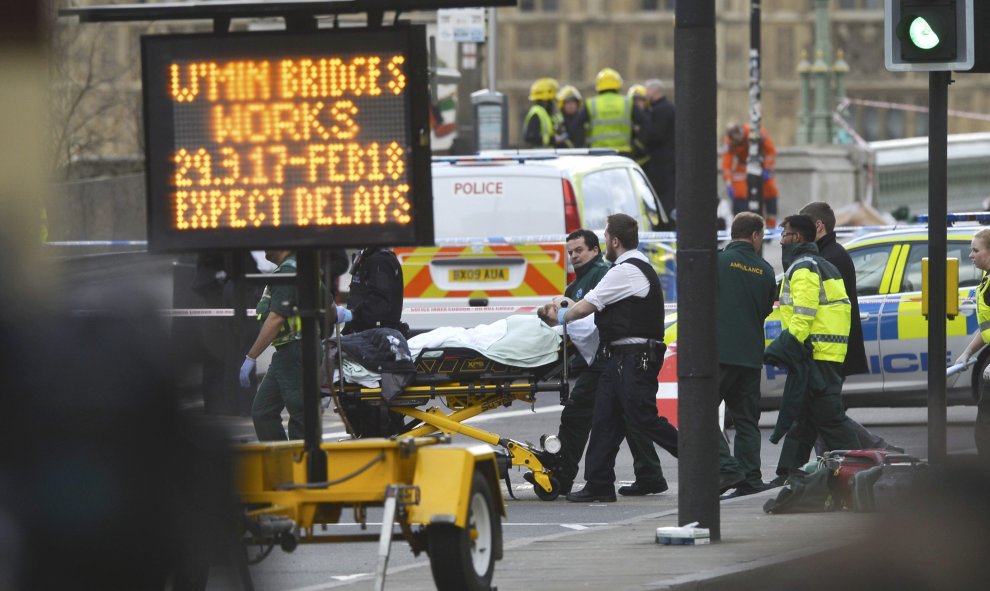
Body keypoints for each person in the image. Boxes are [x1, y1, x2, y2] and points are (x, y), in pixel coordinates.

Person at [534, 229, 668, 497]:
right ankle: (642, 475)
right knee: (622, 418)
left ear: (597, 249)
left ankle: (564, 475)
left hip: (610, 358)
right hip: (607, 357)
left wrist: (561, 315)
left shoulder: (608, 273)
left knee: (583, 414)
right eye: (570, 252)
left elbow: (585, 311)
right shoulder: (576, 285)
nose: (574, 256)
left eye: (579, 250)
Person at [800, 201, 903, 457]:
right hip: (831, 350)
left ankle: (872, 452)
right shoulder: (829, 254)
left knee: (826, 414)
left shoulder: (830, 257)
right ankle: (835, 462)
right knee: (823, 413)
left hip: (830, 352)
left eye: (802, 228)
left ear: (818, 226)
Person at [768, 215, 860, 478]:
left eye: (784, 234)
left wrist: (783, 345)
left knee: (830, 417)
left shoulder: (804, 267)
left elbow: (804, 313)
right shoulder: (819, 264)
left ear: (796, 237)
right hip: (824, 352)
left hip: (816, 352)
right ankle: (787, 471)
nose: (781, 239)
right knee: (804, 416)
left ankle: (866, 465)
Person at [715, 213, 777, 498]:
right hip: (750, 356)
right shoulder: (765, 270)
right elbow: (766, 309)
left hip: (719, 354)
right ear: (754, 236)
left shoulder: (717, 262)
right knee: (746, 421)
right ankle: (750, 478)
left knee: (699, 414)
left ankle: (727, 468)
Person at [240, 250, 306, 441]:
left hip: (295, 352)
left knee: (301, 418)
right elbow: (330, 306)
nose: (265, 249)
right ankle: (281, 463)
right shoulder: (300, 267)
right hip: (287, 353)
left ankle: (299, 468)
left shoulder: (287, 272)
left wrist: (251, 356)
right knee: (263, 412)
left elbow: (276, 318)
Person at [954, 228, 990, 458]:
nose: (971, 255)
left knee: (985, 422)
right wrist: (966, 353)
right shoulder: (987, 280)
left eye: (975, 250)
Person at [722, 122, 779, 228]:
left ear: (741, 133)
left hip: (761, 164)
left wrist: (766, 169)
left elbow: (770, 151)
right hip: (743, 165)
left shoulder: (757, 132)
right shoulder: (729, 141)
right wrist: (729, 183)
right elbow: (727, 164)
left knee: (770, 190)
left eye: (739, 140)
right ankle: (742, 225)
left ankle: (770, 227)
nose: (738, 143)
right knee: (739, 191)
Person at [341, 246, 407, 337]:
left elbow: (379, 301)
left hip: (375, 336)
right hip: (364, 332)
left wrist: (353, 314)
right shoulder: (367, 256)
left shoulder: (380, 261)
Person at [576, 67, 641, 157]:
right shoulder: (627, 102)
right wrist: (637, 144)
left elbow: (576, 125)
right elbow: (645, 123)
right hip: (623, 153)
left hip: (598, 153)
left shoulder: (591, 103)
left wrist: (583, 145)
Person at [640, 79, 676, 229]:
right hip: (667, 162)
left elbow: (656, 134)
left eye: (646, 91)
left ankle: (663, 225)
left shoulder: (660, 110)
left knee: (661, 199)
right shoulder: (667, 108)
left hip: (661, 163)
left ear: (654, 92)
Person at [523, 77, 559, 148]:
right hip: (539, 157)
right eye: (552, 100)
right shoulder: (537, 114)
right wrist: (552, 139)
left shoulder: (547, 114)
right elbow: (530, 138)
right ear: (546, 100)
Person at [554, 84, 586, 148]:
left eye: (573, 102)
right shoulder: (557, 121)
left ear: (578, 104)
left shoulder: (583, 120)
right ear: (562, 105)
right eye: (568, 103)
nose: (571, 106)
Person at [626, 84, 650, 167]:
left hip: (647, 162)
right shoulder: (626, 117)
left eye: (640, 100)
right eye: (634, 100)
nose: (637, 103)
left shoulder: (650, 117)